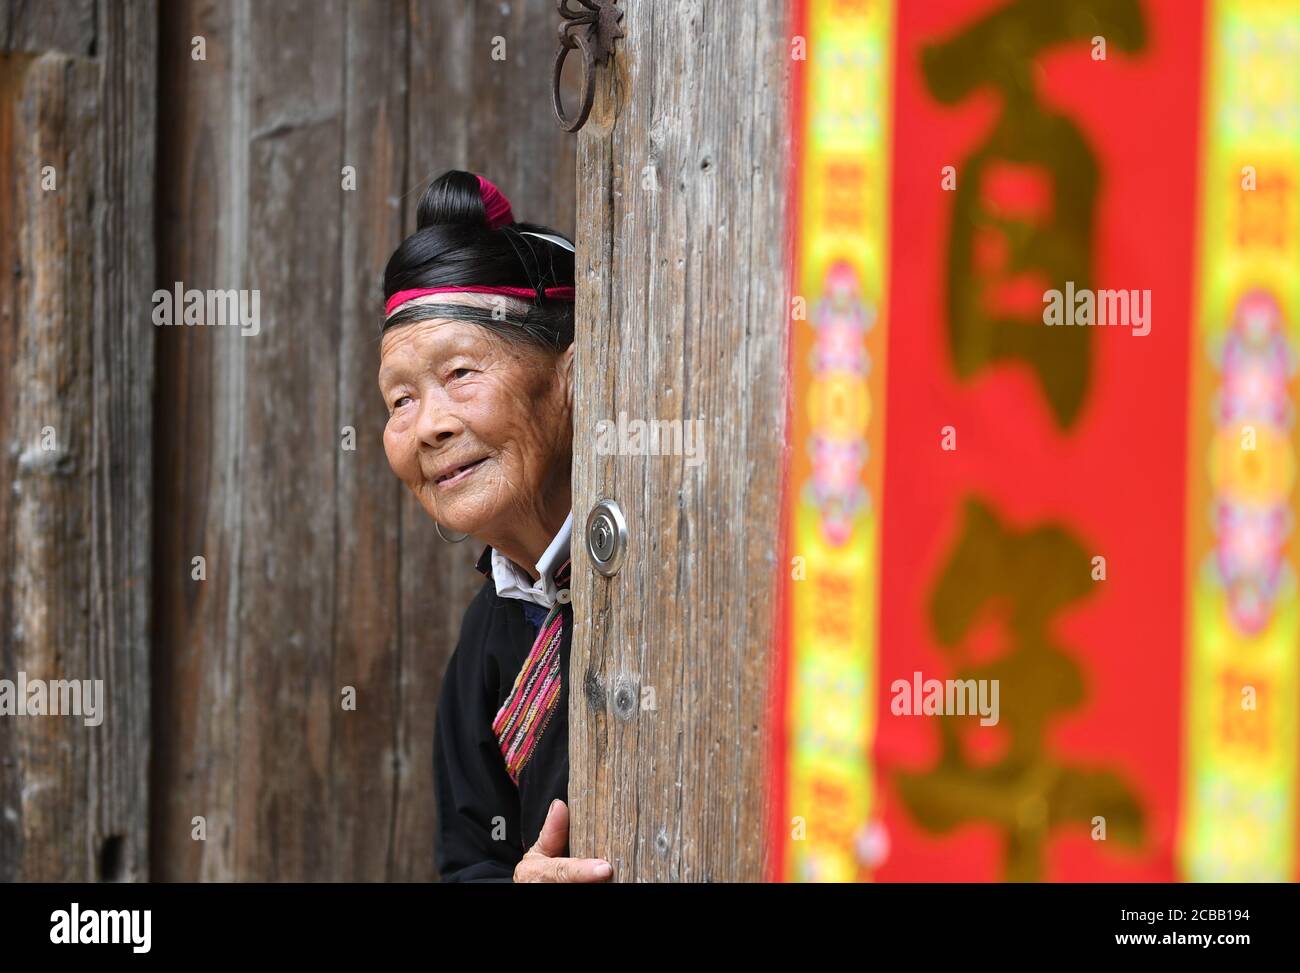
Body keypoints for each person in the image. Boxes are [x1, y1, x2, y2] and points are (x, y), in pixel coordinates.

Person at [378, 170, 611, 882]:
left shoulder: (677, 567)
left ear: (574, 377)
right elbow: (469, 862)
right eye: (400, 399)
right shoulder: (487, 640)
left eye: (460, 373)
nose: (429, 427)